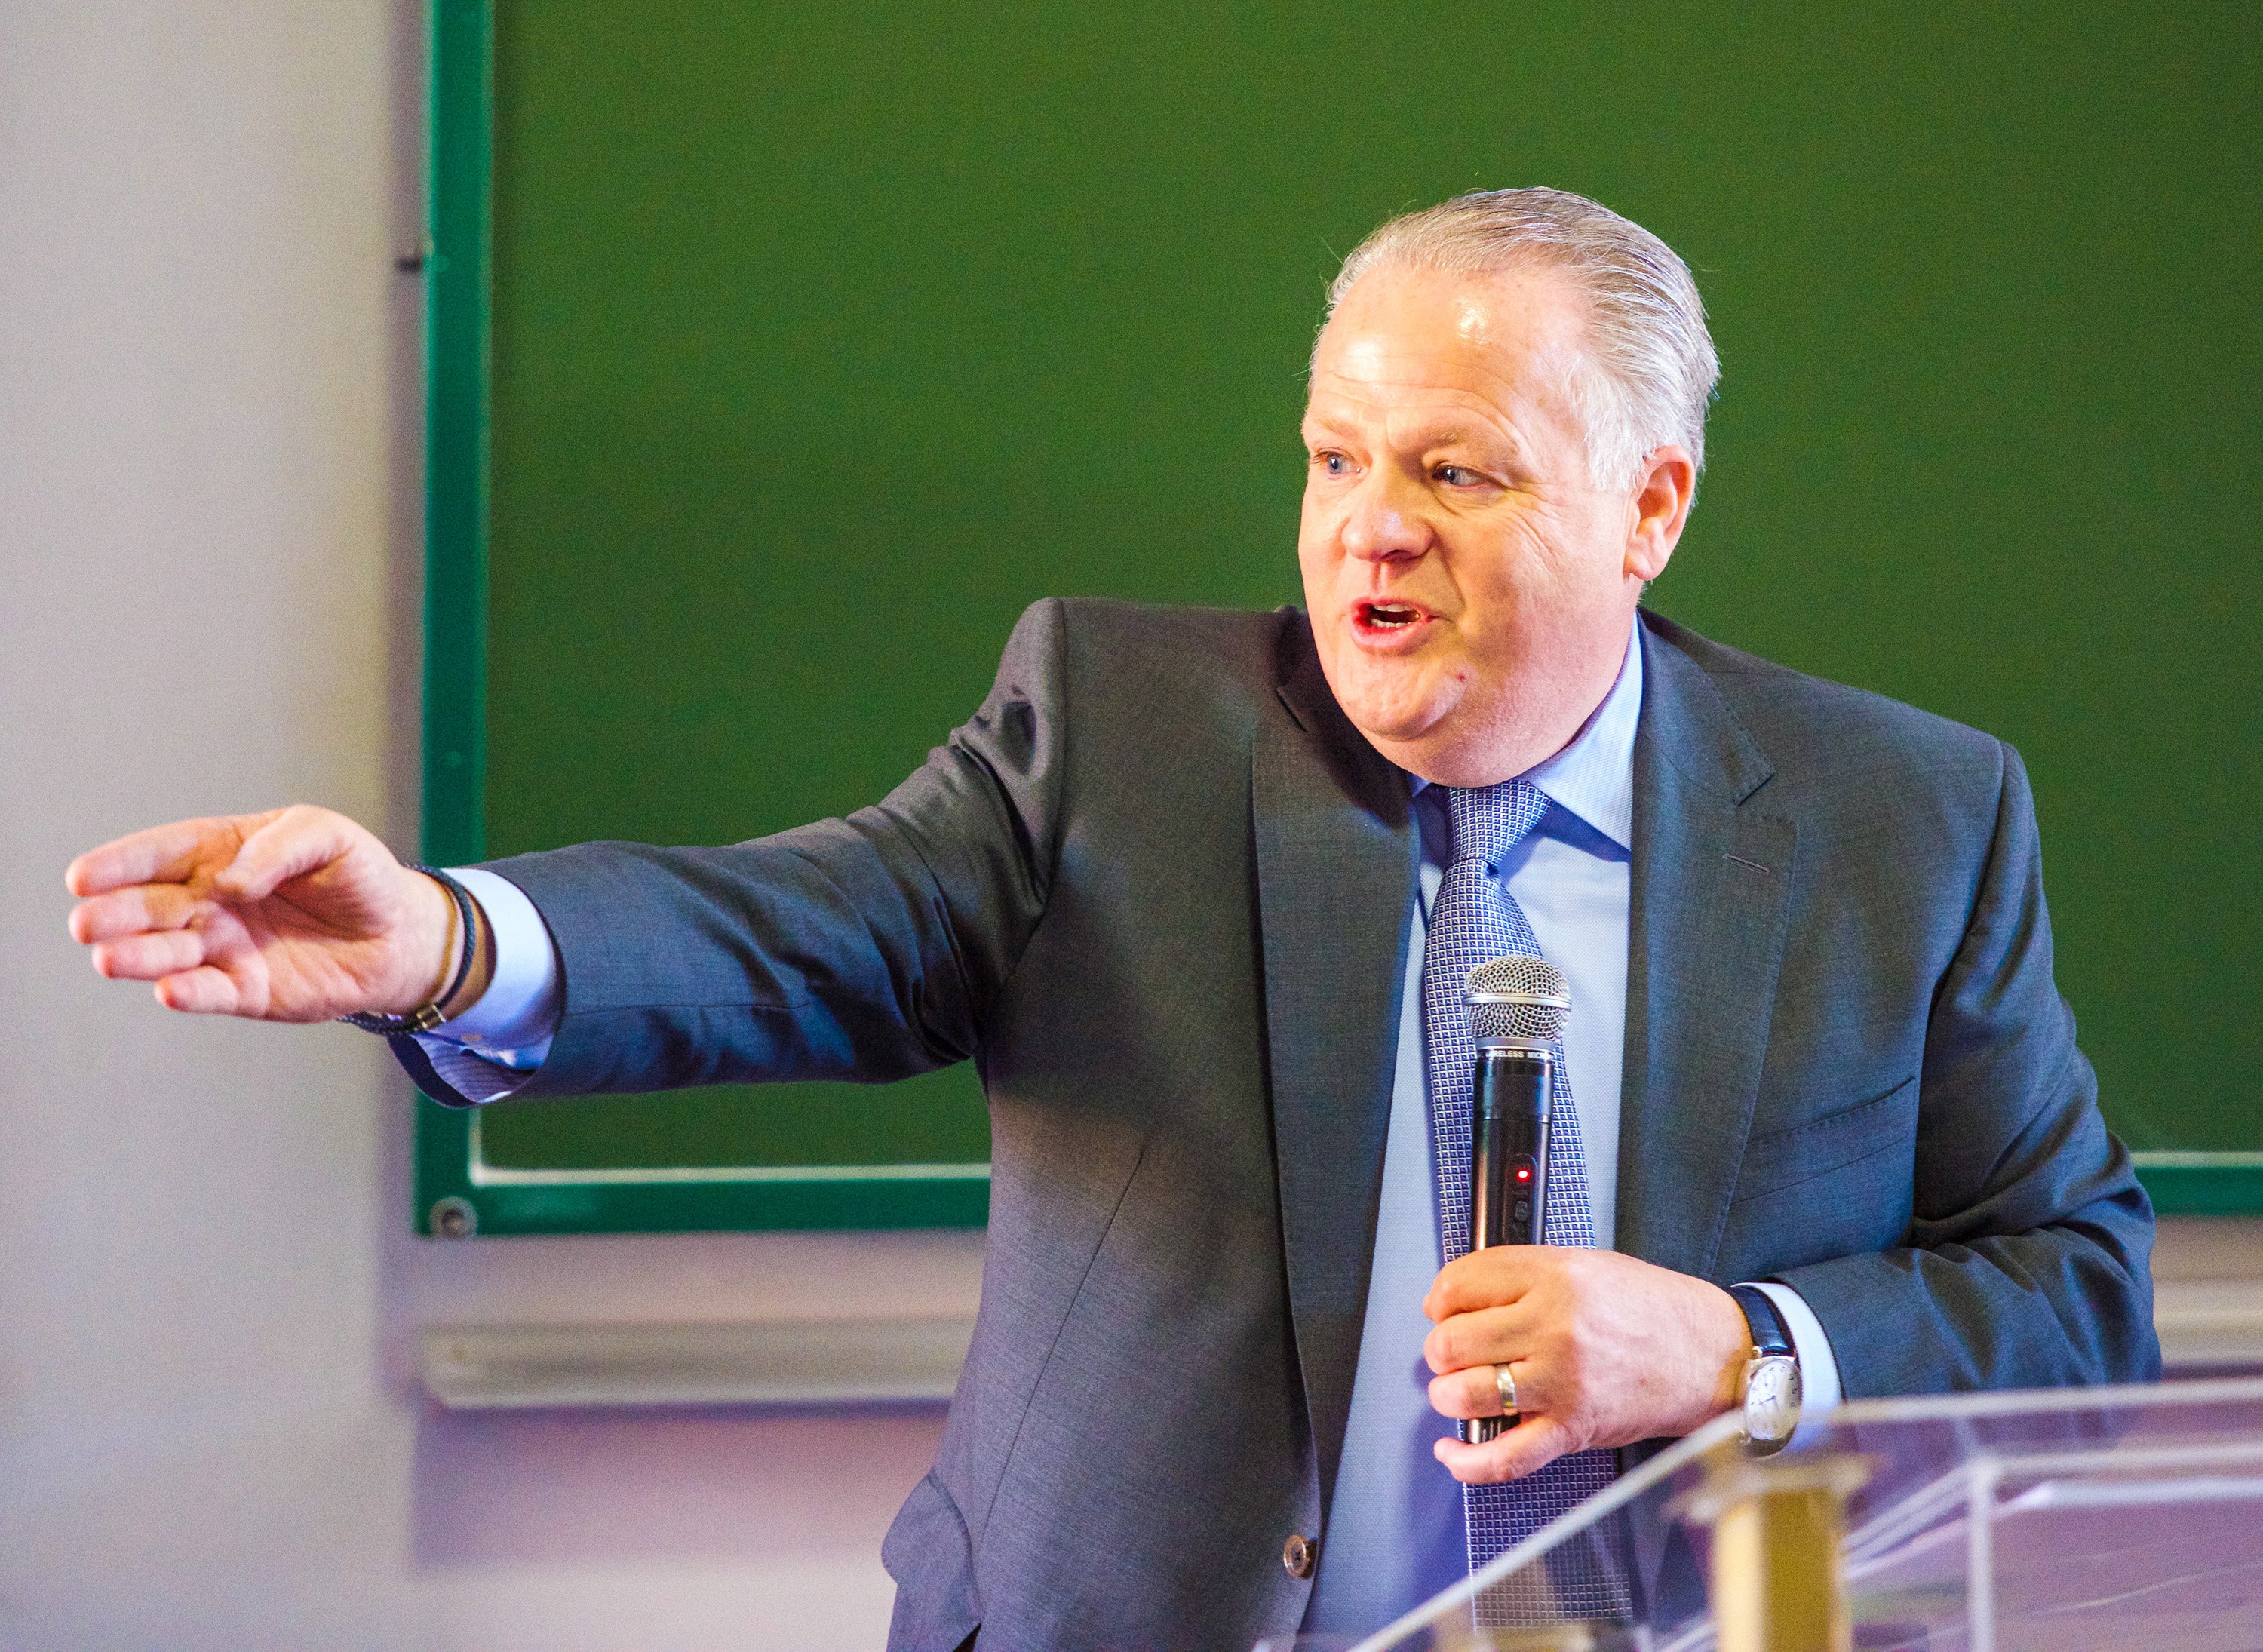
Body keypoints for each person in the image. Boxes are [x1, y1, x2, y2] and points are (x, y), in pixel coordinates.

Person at [63, 189, 2157, 1650]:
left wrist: (1736, 1346)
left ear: (1650, 504)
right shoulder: (1126, 731)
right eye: (1335, 456)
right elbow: (810, 930)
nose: (1369, 531)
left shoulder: (1906, 817)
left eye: (1459, 473)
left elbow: (2077, 1292)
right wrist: (445, 937)